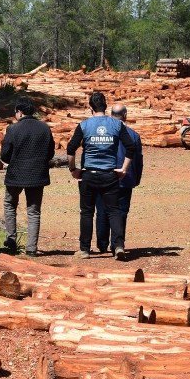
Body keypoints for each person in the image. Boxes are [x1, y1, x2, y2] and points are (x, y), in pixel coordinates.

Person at [66, 91, 139, 260]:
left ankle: (84, 249)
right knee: (114, 211)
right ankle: (119, 246)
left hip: (89, 174)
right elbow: (131, 147)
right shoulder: (116, 124)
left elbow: (70, 149)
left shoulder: (84, 125)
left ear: (90, 107)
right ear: (105, 107)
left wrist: (73, 169)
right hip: (110, 174)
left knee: (87, 212)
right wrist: (124, 169)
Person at [0, 97, 55, 256]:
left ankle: (11, 241)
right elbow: (50, 152)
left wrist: (12, 160)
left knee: (10, 205)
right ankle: (31, 247)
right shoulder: (44, 128)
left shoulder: (13, 129)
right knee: (34, 211)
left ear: (19, 112)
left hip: (15, 174)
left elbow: (5, 154)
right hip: (37, 175)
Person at [95, 103, 143, 254]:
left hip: (104, 176)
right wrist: (136, 177)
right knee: (121, 211)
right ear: (125, 115)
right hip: (125, 177)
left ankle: (102, 244)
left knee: (102, 210)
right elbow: (138, 159)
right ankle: (117, 243)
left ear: (111, 115)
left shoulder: (102, 134)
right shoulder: (133, 135)